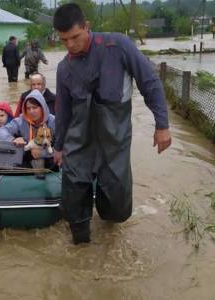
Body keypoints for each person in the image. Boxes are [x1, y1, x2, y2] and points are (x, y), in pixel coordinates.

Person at [53, 3, 172, 244]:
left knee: (117, 205)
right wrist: (58, 146)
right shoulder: (64, 68)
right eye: (64, 40)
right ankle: (81, 249)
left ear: (87, 27)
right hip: (79, 140)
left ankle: (109, 236)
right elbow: (63, 111)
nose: (70, 45)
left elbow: (149, 81)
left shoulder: (118, 46)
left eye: (75, 37)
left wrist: (162, 125)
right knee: (74, 197)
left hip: (114, 137)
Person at [0, 89, 55, 169]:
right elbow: (1, 131)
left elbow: (66, 147)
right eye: (28, 108)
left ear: (42, 107)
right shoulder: (21, 120)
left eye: (34, 107)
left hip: (50, 158)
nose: (31, 111)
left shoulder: (53, 121)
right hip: (28, 157)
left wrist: (43, 153)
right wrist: (12, 139)